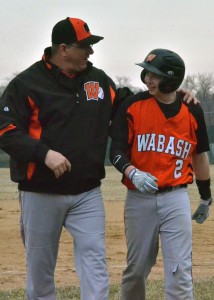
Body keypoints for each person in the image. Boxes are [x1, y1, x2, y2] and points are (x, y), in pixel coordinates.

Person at [0, 17, 198, 299]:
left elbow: (130, 104)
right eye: (86, 46)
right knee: (40, 274)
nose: (91, 52)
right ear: (64, 49)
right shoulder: (27, 84)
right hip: (40, 192)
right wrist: (43, 153)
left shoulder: (98, 80)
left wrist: (171, 93)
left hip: (87, 193)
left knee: (95, 270)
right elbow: (6, 131)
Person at [109, 48, 213, 300]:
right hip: (139, 198)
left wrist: (205, 196)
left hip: (175, 197)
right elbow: (116, 151)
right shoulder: (133, 105)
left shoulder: (192, 109)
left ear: (172, 79)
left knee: (180, 270)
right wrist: (132, 172)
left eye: (155, 75)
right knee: (136, 269)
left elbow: (199, 156)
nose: (148, 79)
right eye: (147, 73)